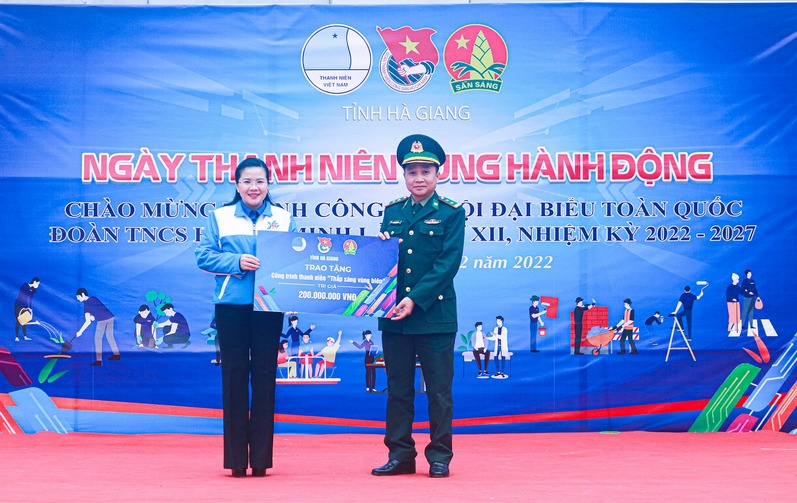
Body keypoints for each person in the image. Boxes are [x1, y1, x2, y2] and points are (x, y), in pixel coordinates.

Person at [195, 157, 296, 478]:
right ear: (237, 186)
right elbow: (203, 256)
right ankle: (236, 460)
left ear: (268, 185)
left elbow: (296, 260)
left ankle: (262, 460)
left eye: (260, 181)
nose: (254, 187)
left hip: (269, 307)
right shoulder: (220, 217)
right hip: (231, 307)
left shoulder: (283, 218)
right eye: (247, 181)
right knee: (234, 378)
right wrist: (236, 261)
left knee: (265, 378)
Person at [371, 134, 465, 479]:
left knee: (438, 391)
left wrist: (415, 299)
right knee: (398, 389)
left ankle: (439, 456)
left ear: (438, 174)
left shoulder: (452, 213)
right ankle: (400, 455)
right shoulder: (392, 212)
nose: (419, 178)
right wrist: (379, 250)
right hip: (395, 314)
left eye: (426, 171)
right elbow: (386, 266)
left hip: (435, 315)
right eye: (412, 172)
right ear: (404, 176)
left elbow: (447, 264)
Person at [75, 287, 121, 366]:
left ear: (82, 294)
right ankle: (117, 355)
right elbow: (99, 309)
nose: (78, 299)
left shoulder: (86, 304)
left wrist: (80, 332)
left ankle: (99, 361)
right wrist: (93, 316)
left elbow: (87, 321)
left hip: (102, 320)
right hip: (110, 317)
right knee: (109, 336)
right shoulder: (94, 298)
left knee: (97, 338)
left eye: (78, 297)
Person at [14, 277, 39, 342]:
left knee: (24, 321)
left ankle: (25, 336)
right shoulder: (25, 286)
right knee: (18, 320)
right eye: (37, 284)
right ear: (34, 282)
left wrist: (30, 308)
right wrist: (31, 289)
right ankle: (16, 337)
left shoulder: (32, 290)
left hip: (24, 306)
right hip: (18, 305)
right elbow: (22, 295)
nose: (37, 286)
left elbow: (30, 299)